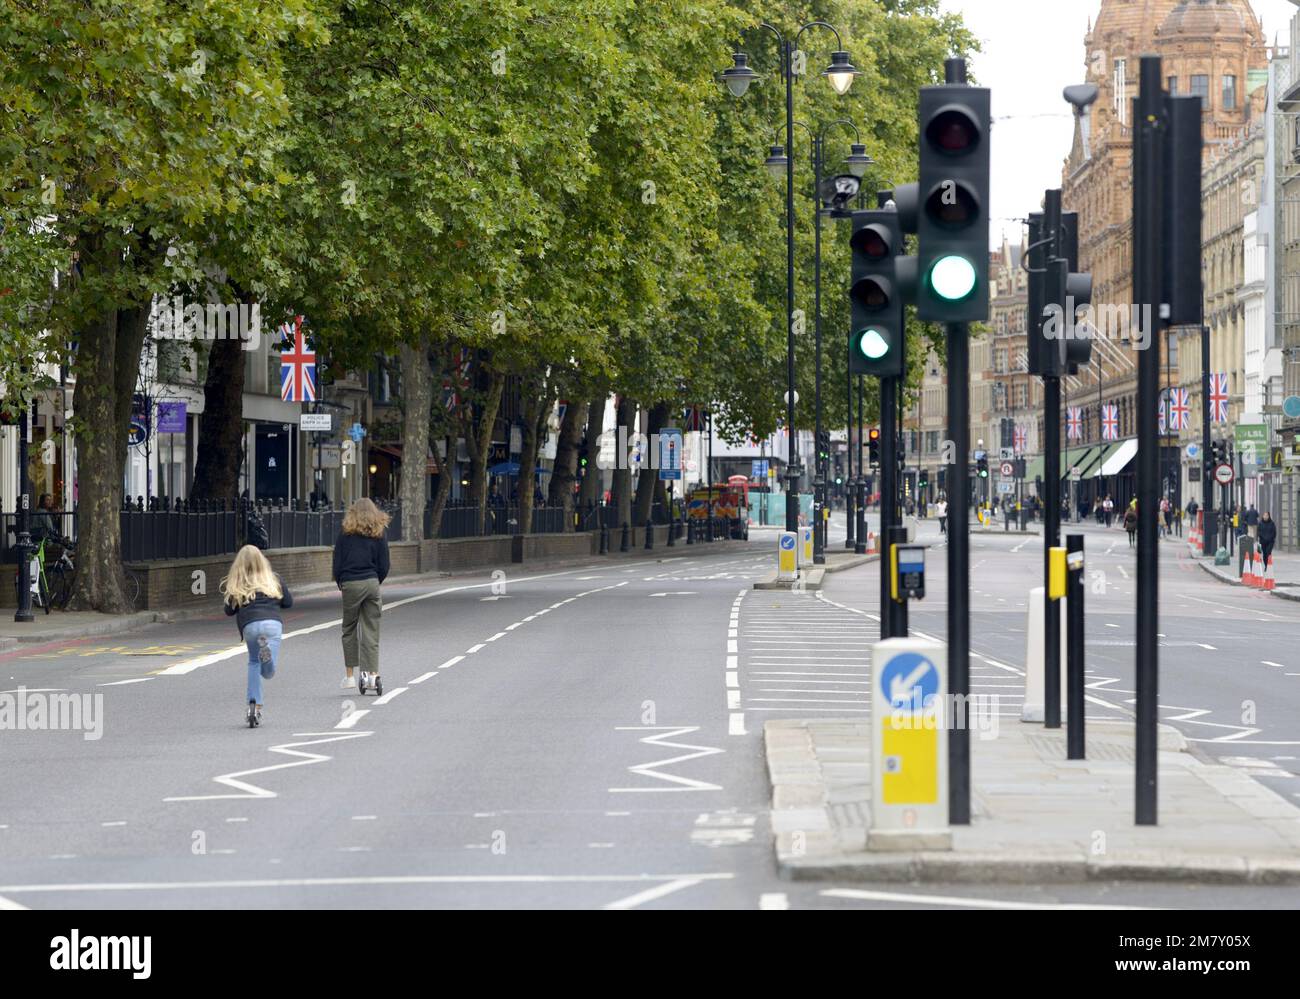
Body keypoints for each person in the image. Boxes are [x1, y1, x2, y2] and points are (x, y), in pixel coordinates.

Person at [221, 545, 292, 727]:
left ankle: (254, 706)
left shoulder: (238, 583)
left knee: (253, 662)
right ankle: (266, 654)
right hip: (272, 625)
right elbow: (288, 603)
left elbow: (229, 611)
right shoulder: (273, 579)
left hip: (250, 625)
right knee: (268, 672)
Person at [333, 497, 391, 691]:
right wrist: (376, 581)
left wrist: (340, 581)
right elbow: (384, 564)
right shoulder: (379, 533)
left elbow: (337, 560)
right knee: (371, 630)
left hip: (350, 582)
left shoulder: (345, 533)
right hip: (371, 581)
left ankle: (350, 676)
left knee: (349, 628)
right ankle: (373, 675)